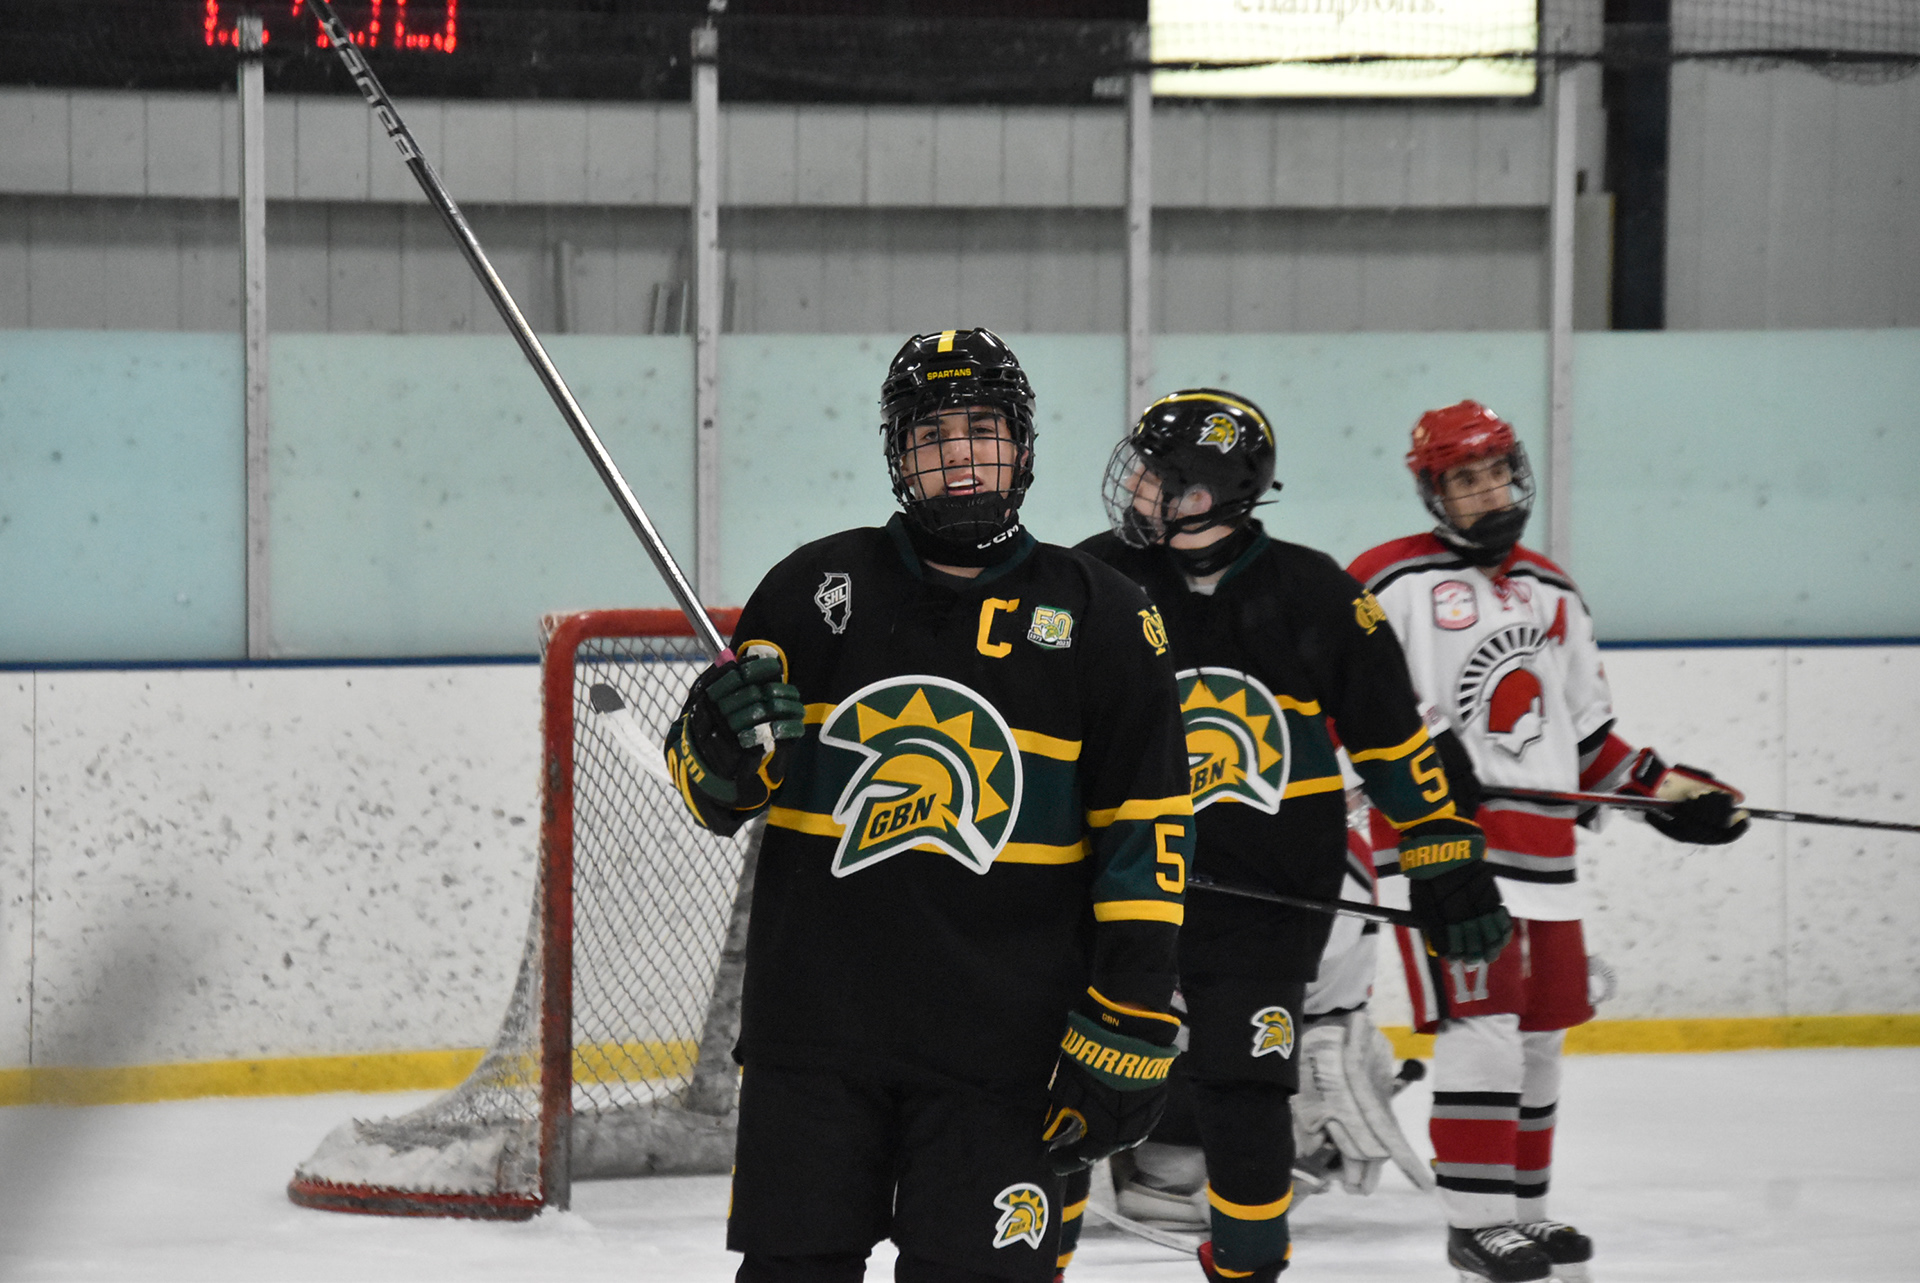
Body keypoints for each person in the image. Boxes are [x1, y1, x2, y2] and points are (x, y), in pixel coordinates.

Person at [662, 328, 1197, 1283]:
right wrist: (714, 742)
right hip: (816, 1040)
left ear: (1022, 445)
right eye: (931, 434)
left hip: (1008, 1052)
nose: (959, 454)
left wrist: (1131, 1013)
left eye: (982, 429)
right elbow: (719, 797)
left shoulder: (1108, 616)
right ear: (897, 454)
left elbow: (1147, 836)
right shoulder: (812, 589)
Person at [1066, 389, 1512, 1282]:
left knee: (1247, 1089)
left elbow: (1394, 742)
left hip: (1267, 904)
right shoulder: (1090, 578)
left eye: (1158, 475)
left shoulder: (1315, 593)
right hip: (1117, 895)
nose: (1137, 486)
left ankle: (1247, 1265)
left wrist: (1444, 853)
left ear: (1209, 495)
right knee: (1073, 1081)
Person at [1348, 399, 1750, 1283]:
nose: (1488, 491)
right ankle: (1476, 1223)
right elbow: (1339, 697)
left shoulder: (1554, 589)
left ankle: (1524, 1213)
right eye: (1466, 478)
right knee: (1484, 1027)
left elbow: (1590, 739)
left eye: (1497, 471)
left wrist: (1673, 795)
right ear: (1434, 491)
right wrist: (1420, 744)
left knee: (1537, 1037)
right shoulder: (1385, 580)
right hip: (1442, 849)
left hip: (1544, 856)